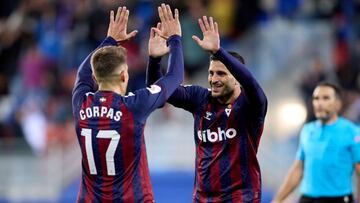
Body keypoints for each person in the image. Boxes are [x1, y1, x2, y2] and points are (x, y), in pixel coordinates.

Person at [147, 15, 267, 203]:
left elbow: (251, 84)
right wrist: (154, 60)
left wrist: (219, 51)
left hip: (240, 198)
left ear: (237, 78)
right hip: (203, 199)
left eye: (221, 73)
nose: (213, 79)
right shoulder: (201, 99)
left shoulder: (251, 105)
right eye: (211, 73)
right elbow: (158, 90)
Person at [72, 4, 183, 202]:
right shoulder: (133, 105)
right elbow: (175, 76)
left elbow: (82, 72)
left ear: (95, 78)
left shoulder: (81, 103)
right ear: (124, 76)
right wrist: (174, 39)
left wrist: (110, 40)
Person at [271, 82, 360, 203]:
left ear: (338, 104)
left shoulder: (352, 132)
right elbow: (298, 169)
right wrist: (277, 200)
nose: (319, 103)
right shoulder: (307, 130)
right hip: (307, 198)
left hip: (338, 199)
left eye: (326, 98)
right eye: (316, 98)